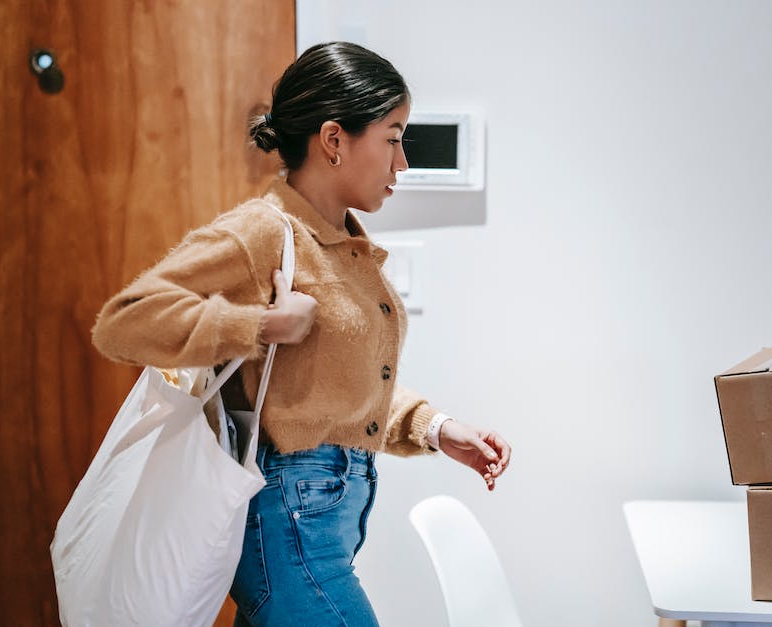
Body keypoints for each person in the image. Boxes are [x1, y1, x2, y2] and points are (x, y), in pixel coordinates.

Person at [91, 41, 511, 627]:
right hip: (289, 527)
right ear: (334, 140)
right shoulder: (263, 231)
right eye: (393, 138)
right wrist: (258, 326)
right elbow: (123, 322)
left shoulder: (343, 244)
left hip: (323, 527)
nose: (403, 164)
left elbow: (331, 392)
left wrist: (437, 430)